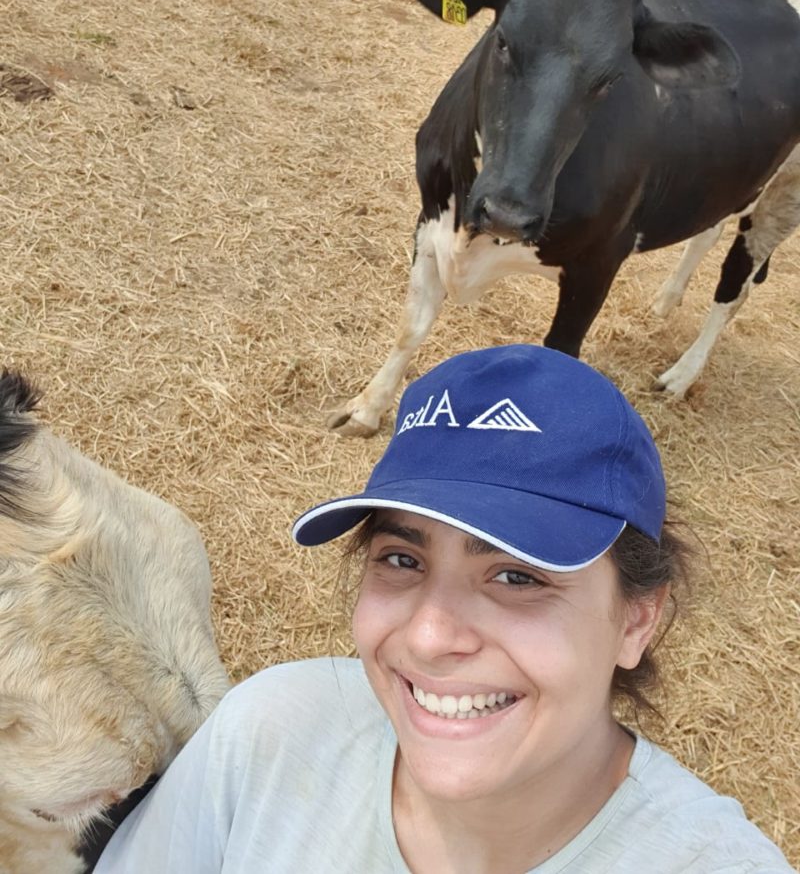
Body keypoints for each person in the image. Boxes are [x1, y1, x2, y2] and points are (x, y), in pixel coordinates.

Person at [94, 345, 795, 874]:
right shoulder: (268, 737)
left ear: (637, 619)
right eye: (402, 559)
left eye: (517, 576)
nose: (429, 636)